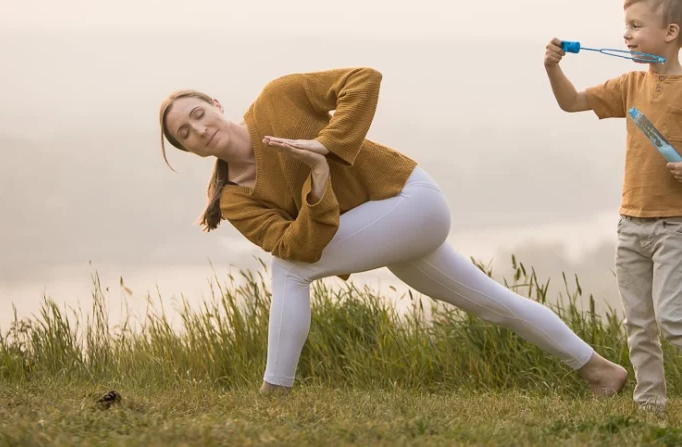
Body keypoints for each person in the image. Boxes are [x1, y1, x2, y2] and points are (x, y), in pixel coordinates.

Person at [159, 67, 627, 395]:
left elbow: (363, 80)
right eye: (185, 133)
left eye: (198, 114)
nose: (197, 130)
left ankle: (273, 394)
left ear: (216, 104)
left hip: (410, 200)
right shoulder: (233, 199)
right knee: (493, 303)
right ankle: (600, 370)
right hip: (385, 228)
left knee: (288, 272)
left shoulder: (278, 97)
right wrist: (319, 182)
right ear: (190, 151)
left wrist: (327, 145)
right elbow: (296, 244)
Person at [543, 0, 682, 412]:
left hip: (676, 222)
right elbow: (572, 102)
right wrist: (553, 68)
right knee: (639, 321)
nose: (626, 35)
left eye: (636, 26)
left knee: (671, 315)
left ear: (670, 33)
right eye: (625, 27)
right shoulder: (629, 83)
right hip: (631, 221)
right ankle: (650, 402)